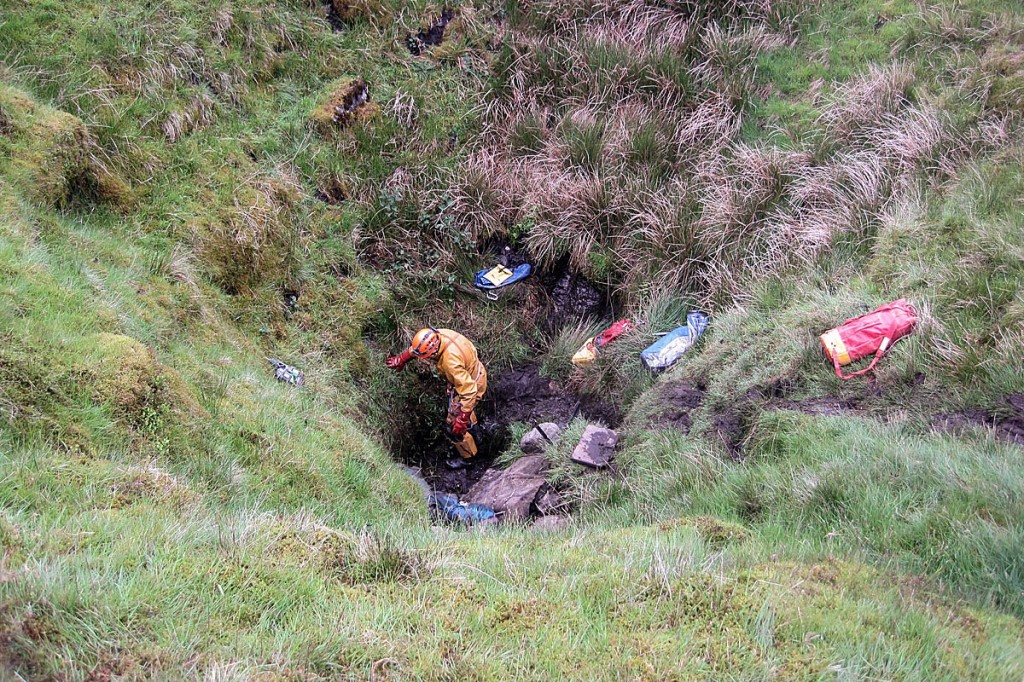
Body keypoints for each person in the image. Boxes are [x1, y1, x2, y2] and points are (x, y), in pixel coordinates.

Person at [387, 327, 488, 468]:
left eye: (427, 356)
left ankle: (468, 457)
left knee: (453, 427)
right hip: (475, 373)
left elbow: (469, 391)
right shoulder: (438, 335)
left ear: (433, 352)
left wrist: (462, 418)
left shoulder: (450, 362)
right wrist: (403, 358)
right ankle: (477, 435)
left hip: (470, 386)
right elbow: (422, 346)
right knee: (463, 414)